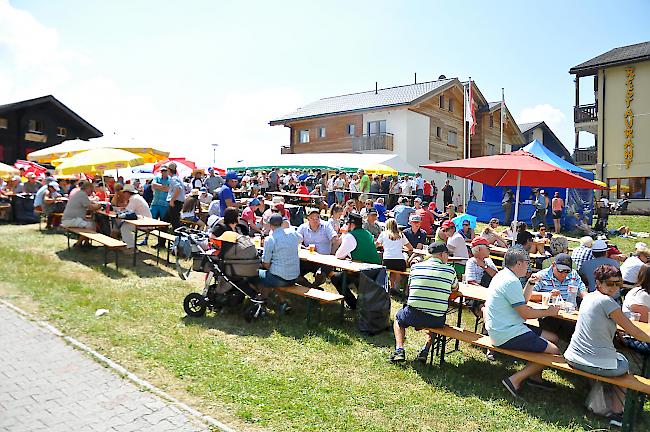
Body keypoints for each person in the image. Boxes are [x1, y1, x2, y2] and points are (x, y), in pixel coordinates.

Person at [564, 265, 650, 427]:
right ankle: (618, 415)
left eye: (618, 284)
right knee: (626, 370)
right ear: (598, 283)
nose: (615, 288)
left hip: (572, 356)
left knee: (616, 360)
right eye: (610, 284)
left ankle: (601, 400)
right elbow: (633, 331)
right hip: (588, 361)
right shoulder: (608, 302)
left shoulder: (589, 297)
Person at [485, 248, 561, 399]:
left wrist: (531, 283)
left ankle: (535, 377)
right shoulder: (510, 281)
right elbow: (525, 313)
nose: (529, 266)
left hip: (502, 327)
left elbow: (522, 301)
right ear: (519, 263)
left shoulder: (503, 275)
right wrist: (549, 311)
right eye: (527, 263)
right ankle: (514, 380)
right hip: (506, 332)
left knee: (553, 337)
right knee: (554, 351)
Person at [389, 242, 458, 363]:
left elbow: (410, 287)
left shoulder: (416, 267)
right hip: (435, 318)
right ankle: (425, 350)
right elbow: (455, 288)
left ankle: (399, 349)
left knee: (398, 319)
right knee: (437, 318)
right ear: (442, 254)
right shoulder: (450, 271)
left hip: (413, 313)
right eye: (447, 254)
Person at [332, 213, 382, 309]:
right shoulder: (367, 233)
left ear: (352, 225)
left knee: (336, 278)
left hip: (363, 272)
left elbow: (339, 255)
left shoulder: (350, 236)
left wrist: (343, 234)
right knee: (349, 274)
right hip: (376, 271)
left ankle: (353, 305)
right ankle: (363, 303)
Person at [259, 213, 302, 311]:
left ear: (270, 225)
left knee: (256, 274)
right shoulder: (292, 233)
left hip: (280, 278)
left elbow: (265, 263)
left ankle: (262, 300)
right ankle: (282, 301)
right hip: (294, 276)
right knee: (272, 275)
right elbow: (301, 239)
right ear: (282, 223)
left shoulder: (270, 239)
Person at [296, 209, 336, 287]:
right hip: (308, 259)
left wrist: (332, 254)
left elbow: (335, 239)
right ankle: (311, 288)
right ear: (308, 218)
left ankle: (314, 288)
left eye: (317, 218)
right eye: (312, 218)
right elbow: (295, 241)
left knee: (319, 275)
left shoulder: (326, 225)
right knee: (294, 273)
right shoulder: (303, 227)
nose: (315, 220)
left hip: (324, 260)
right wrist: (304, 248)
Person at [61, 182, 101, 246]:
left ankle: (86, 243)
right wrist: (99, 206)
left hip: (69, 219)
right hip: (71, 220)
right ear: (87, 188)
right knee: (92, 226)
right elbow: (91, 207)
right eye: (91, 190)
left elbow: (87, 203)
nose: (92, 192)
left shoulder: (79, 193)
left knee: (91, 222)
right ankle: (78, 244)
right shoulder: (82, 195)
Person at [376, 218, 412, 288]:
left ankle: (392, 287)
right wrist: (403, 247)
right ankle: (396, 287)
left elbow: (375, 245)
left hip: (387, 261)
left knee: (392, 270)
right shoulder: (400, 235)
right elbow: (410, 248)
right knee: (397, 270)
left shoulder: (383, 234)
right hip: (399, 261)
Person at [118, 184, 152, 254]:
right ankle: (126, 244)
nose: (123, 195)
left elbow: (128, 212)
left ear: (128, 193)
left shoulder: (134, 198)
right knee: (123, 224)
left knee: (124, 227)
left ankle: (132, 247)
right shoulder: (135, 197)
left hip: (145, 223)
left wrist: (119, 211)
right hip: (142, 220)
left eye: (124, 193)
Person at [164, 162, 185, 230]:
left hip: (175, 202)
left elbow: (178, 188)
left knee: (174, 223)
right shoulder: (177, 178)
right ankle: (162, 239)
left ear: (169, 170)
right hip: (177, 202)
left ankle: (179, 238)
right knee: (166, 221)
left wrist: (172, 200)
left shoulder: (174, 179)